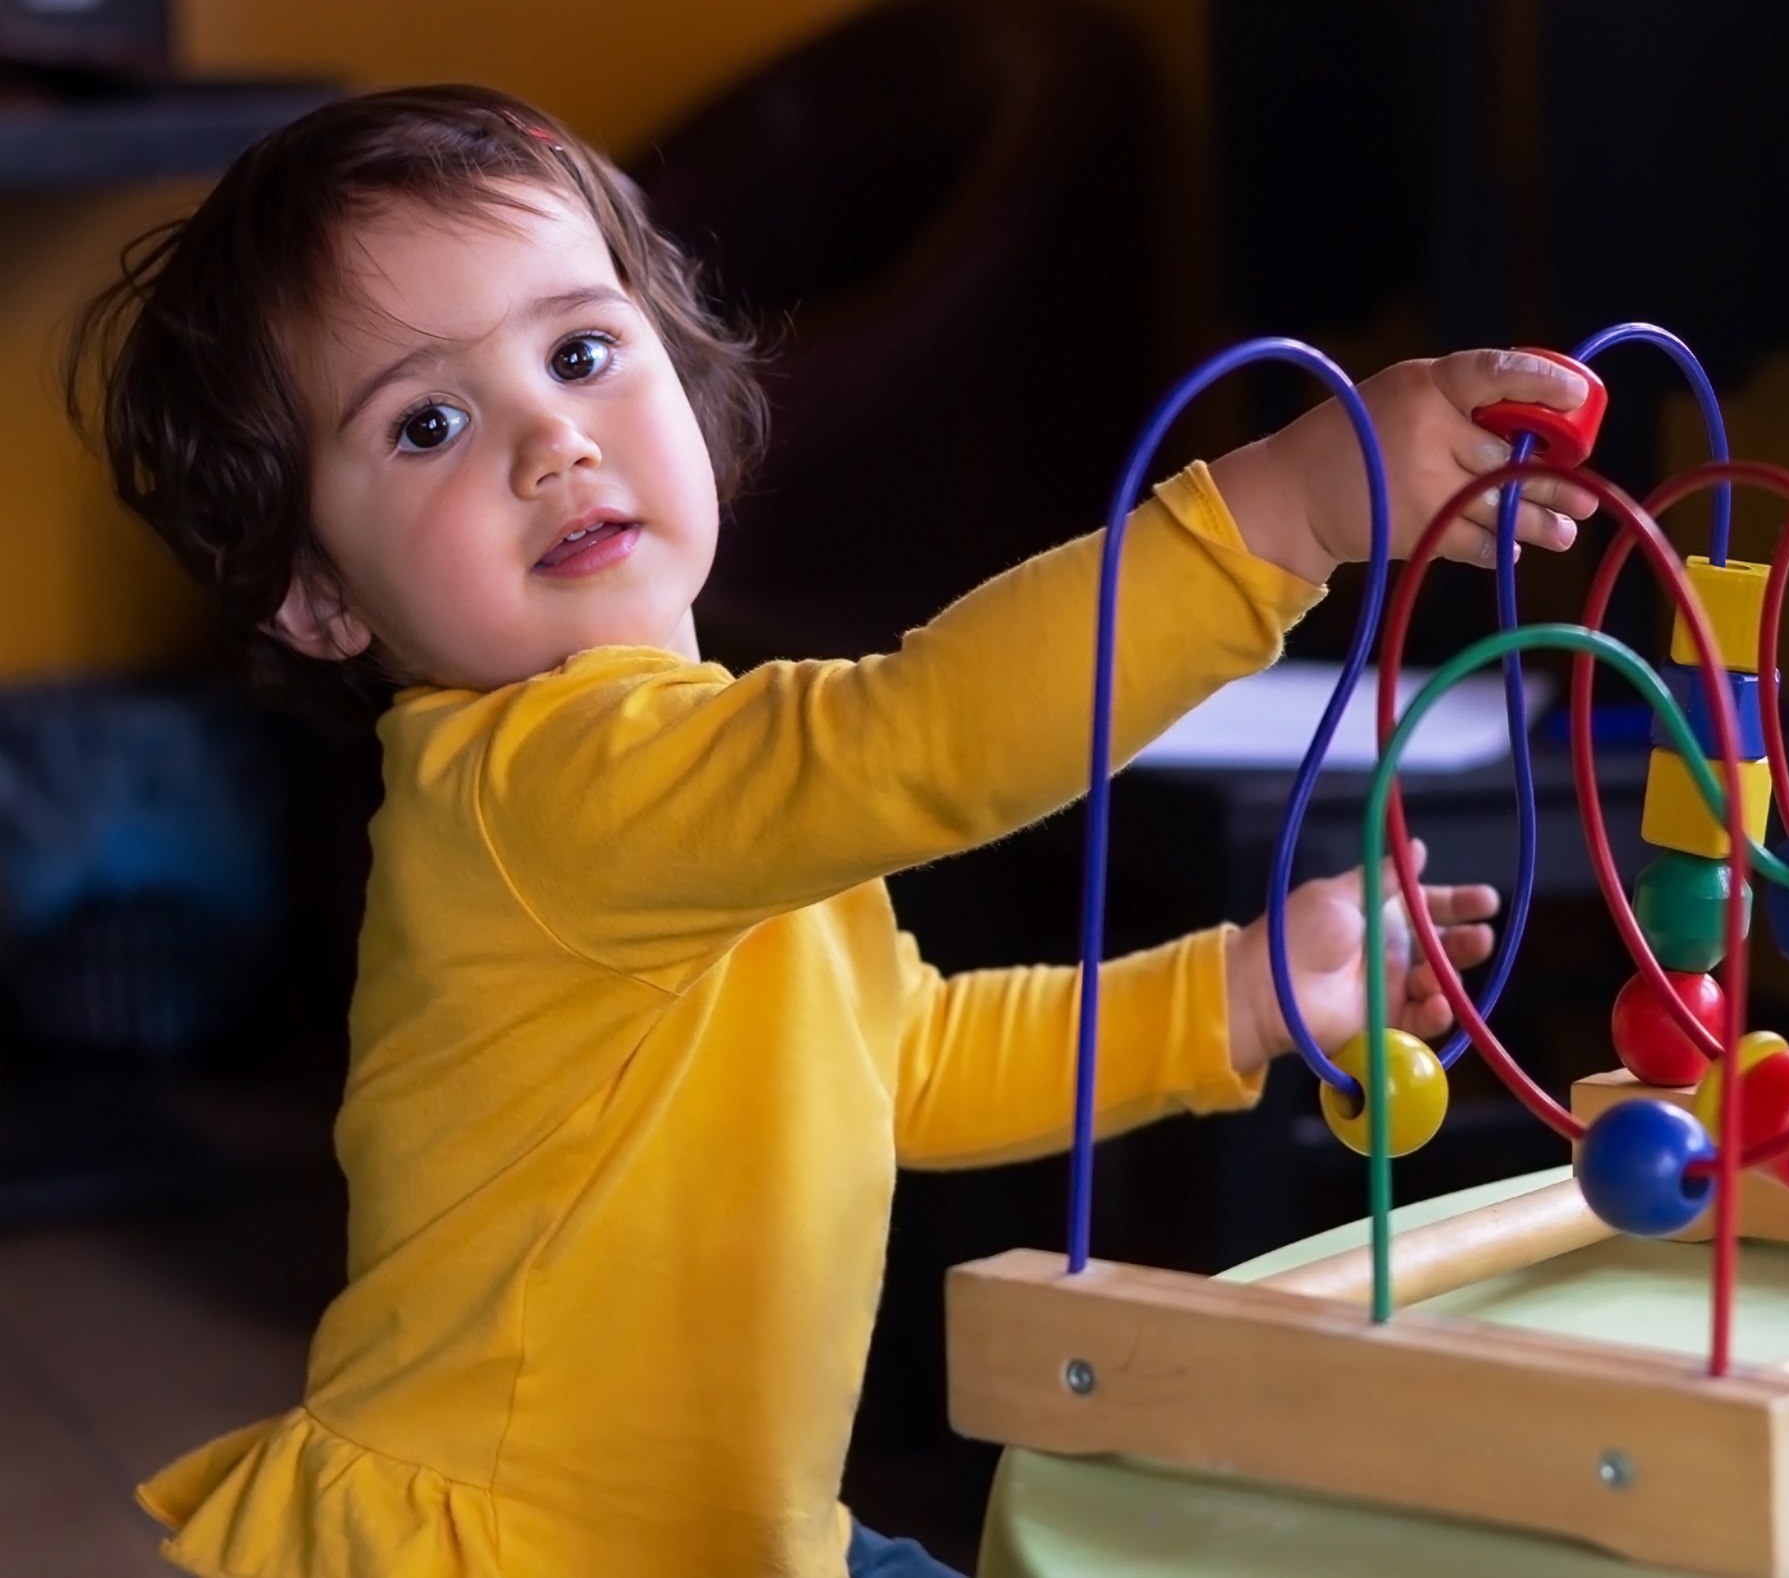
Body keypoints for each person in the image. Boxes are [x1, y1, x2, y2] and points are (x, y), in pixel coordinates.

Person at [66, 86, 1598, 1578]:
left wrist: (1244, 995)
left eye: (586, 352)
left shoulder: (690, 784)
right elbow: (928, 741)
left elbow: (899, 1062)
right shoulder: (551, 786)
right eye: (428, 425)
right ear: (321, 596)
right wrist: (1291, 514)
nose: (551, 444)